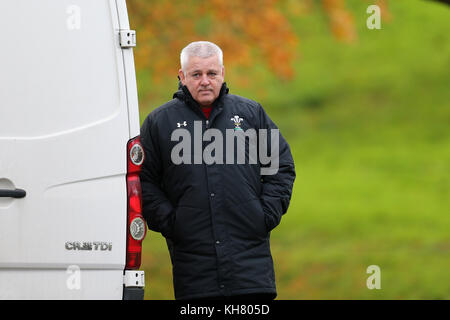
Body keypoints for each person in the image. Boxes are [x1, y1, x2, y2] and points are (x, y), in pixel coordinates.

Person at [140, 41, 295, 300]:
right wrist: (172, 222)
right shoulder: (159, 122)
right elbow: (144, 181)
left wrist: (264, 214)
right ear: (181, 76)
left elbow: (279, 166)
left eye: (211, 74)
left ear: (223, 73)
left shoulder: (250, 114)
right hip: (195, 275)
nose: (205, 81)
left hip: (251, 275)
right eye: (196, 74)